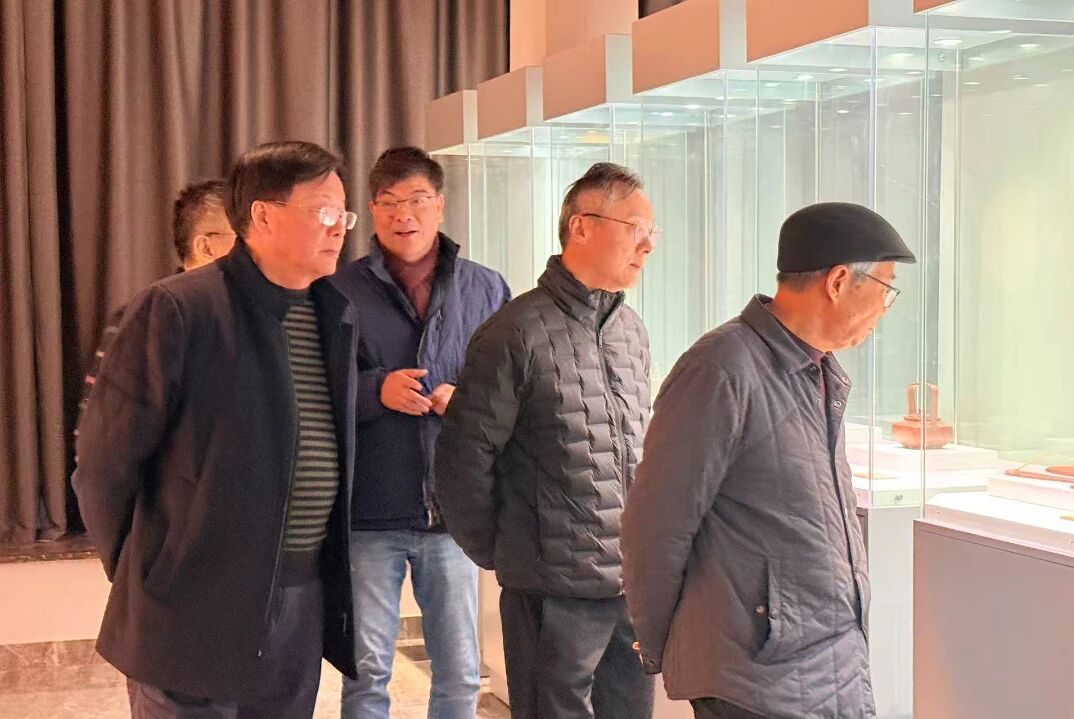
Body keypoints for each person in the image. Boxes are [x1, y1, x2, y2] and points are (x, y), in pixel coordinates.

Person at [74, 140, 361, 718]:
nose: (339, 228)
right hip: (191, 604)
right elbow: (104, 468)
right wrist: (151, 573)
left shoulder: (333, 313)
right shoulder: (178, 310)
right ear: (263, 216)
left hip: (299, 599)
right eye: (323, 211)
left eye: (344, 215)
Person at [621, 202, 917, 719]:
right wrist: (669, 643)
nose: (886, 307)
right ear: (839, 281)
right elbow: (657, 525)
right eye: (885, 288)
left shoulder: (818, 371)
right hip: (754, 678)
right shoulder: (722, 367)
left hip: (824, 664)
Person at [435, 162, 659, 719]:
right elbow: (463, 461)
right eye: (635, 228)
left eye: (652, 231)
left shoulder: (631, 331)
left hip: (630, 586)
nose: (648, 244)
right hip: (552, 591)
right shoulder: (514, 333)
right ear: (581, 226)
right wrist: (508, 554)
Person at [331, 146, 509, 719]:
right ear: (371, 210)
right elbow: (310, 390)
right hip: (369, 513)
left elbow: (512, 389)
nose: (403, 214)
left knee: (459, 674)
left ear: (440, 205)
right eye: (388, 202)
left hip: (453, 514)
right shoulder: (338, 289)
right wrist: (374, 390)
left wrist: (467, 401)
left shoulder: (486, 288)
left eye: (416, 200)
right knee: (366, 674)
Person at [74, 180, 235, 444]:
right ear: (206, 247)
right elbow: (95, 438)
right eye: (247, 238)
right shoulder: (142, 321)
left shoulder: (263, 319)